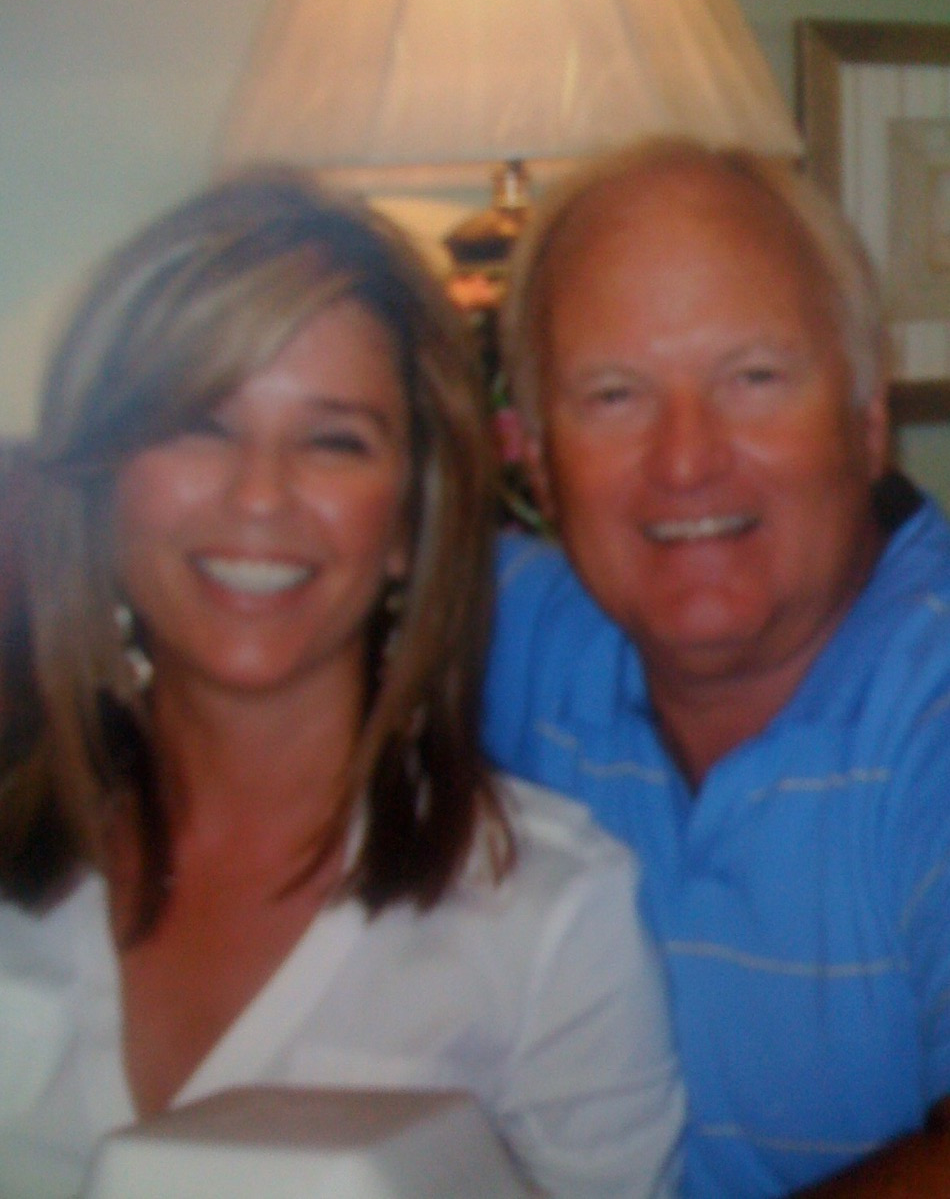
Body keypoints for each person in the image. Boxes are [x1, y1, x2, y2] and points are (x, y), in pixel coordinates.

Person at [0, 170, 683, 1198]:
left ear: (409, 521)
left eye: (333, 441)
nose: (260, 494)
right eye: (199, 422)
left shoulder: (549, 917)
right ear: (102, 490)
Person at [483, 137, 950, 1198]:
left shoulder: (928, 704)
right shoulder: (521, 637)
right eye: (614, 395)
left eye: (752, 378)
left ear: (868, 420)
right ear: (534, 459)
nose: (686, 459)